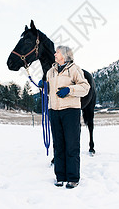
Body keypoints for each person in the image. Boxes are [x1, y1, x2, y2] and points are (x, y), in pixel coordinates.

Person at [39, 45, 90, 189]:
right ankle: (60, 176)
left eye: (57, 52)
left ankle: (73, 178)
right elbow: (49, 90)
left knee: (72, 145)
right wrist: (43, 86)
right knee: (59, 145)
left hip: (71, 111)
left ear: (65, 55)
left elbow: (85, 88)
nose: (55, 54)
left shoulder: (75, 69)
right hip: (54, 111)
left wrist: (70, 89)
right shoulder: (51, 71)